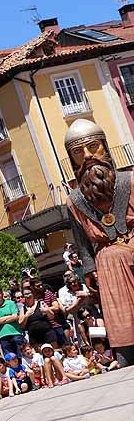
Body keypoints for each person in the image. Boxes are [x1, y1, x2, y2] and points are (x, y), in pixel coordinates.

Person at [63, 119, 134, 366]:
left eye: (93, 147)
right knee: (111, 264)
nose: (88, 156)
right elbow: (81, 240)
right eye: (78, 152)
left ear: (104, 146)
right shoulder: (74, 200)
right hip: (108, 255)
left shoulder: (130, 180)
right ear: (72, 159)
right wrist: (89, 269)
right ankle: (127, 349)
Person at [0, 288, 23, 357]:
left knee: (21, 356)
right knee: (10, 359)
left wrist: (0, 320)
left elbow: (15, 317)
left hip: (16, 333)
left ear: (2, 294)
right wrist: (9, 317)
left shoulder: (10, 303)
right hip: (2, 336)